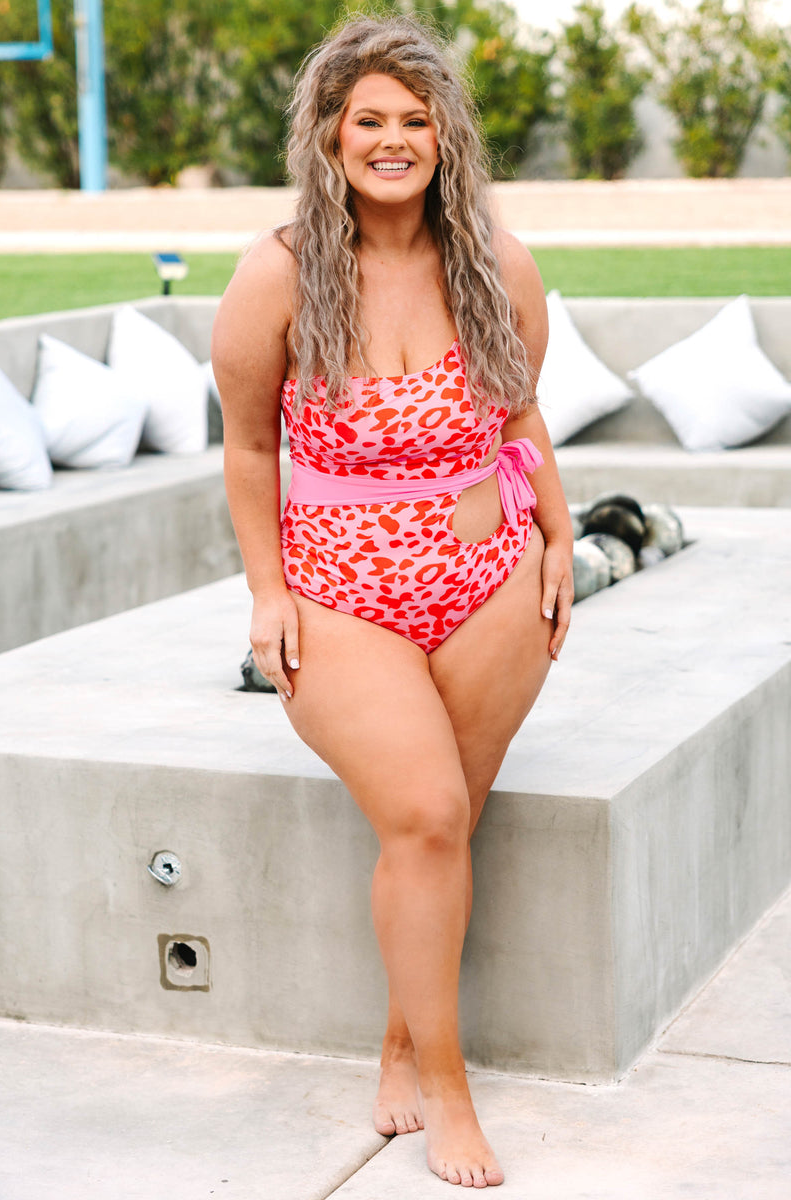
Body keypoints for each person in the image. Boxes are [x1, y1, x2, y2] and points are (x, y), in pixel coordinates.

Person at [212, 14, 573, 1189]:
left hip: (489, 584)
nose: (391, 139)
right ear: (326, 135)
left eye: (414, 119)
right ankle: (450, 1089)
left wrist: (560, 538)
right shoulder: (278, 270)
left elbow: (516, 420)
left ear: (443, 137)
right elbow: (250, 448)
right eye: (367, 118)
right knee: (421, 811)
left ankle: (397, 1042)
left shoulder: (493, 262)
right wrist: (265, 591)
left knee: (445, 824)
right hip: (340, 598)